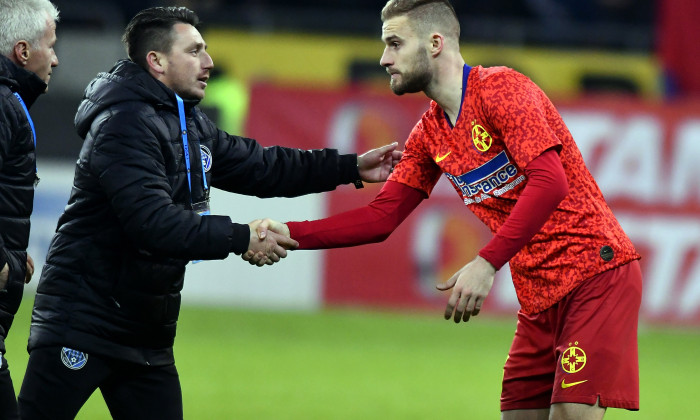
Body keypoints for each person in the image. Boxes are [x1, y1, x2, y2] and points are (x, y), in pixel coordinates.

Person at [250, 1, 642, 419]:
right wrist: (288, 232)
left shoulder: (502, 89)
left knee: (570, 414)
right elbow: (380, 218)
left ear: (435, 43)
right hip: (539, 295)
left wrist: (486, 263)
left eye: (395, 44)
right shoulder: (429, 133)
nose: (384, 59)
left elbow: (550, 182)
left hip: (595, 272)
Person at [16, 6, 400, 420]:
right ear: (157, 61)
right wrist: (241, 237)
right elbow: (153, 223)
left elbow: (261, 166)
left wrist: (349, 167)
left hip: (145, 334)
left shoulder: (188, 122)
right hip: (82, 324)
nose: (209, 61)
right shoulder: (122, 124)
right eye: (195, 50)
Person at [0, 0, 59, 418]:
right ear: (23, 51)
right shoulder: (3, 104)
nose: (55, 58)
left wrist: (10, 254)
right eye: (50, 46)